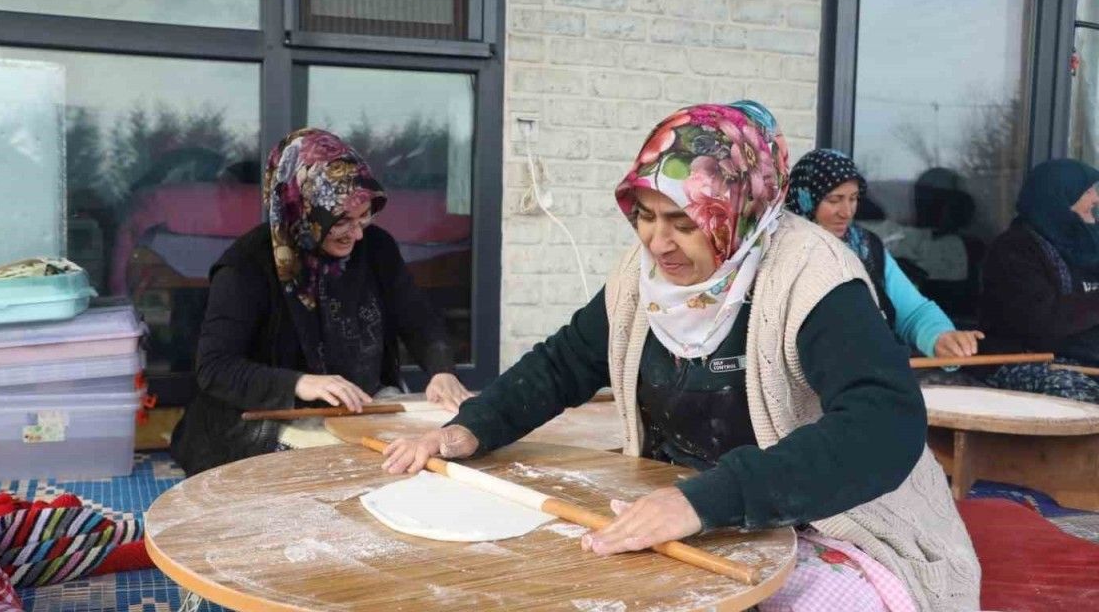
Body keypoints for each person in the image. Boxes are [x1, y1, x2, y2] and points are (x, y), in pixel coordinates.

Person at [382, 103, 979, 612]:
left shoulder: (811, 278)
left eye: (683, 222)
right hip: (686, 506)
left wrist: (705, 501)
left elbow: (883, 426)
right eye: (644, 217)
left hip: (833, 520)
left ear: (739, 210)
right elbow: (563, 363)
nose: (657, 242)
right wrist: (470, 428)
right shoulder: (642, 281)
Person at [170, 128, 473, 475]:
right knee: (350, 467)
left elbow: (417, 318)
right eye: (341, 221)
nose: (357, 234)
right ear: (301, 207)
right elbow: (215, 368)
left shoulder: (376, 248)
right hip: (263, 415)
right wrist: (302, 383)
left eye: (364, 217)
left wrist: (441, 371)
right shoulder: (246, 266)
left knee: (429, 447)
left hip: (360, 404)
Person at [785, 150, 983, 359]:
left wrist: (939, 336)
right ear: (805, 199)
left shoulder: (867, 248)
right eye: (834, 200)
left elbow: (912, 312)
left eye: (853, 198)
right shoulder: (783, 253)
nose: (846, 212)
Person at [978, 159, 1099, 402]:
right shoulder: (1015, 249)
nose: (1096, 199)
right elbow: (1041, 322)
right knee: (1079, 401)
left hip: (1088, 359)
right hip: (1030, 359)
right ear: (1059, 196)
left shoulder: (1090, 243)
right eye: (1087, 192)